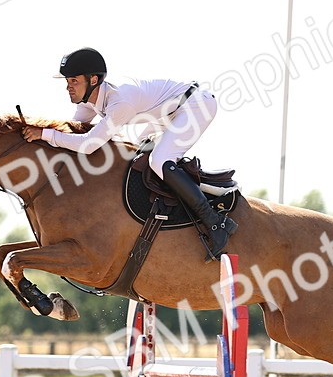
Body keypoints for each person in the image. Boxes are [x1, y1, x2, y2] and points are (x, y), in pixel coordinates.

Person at [21, 47, 237, 257]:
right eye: (68, 82)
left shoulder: (120, 100)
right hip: (166, 114)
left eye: (74, 81)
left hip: (194, 105)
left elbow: (89, 145)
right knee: (137, 155)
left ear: (93, 80)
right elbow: (72, 129)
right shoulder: (89, 101)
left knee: (159, 160)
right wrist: (39, 132)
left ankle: (216, 222)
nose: (69, 87)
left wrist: (44, 134)